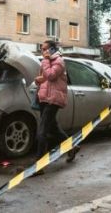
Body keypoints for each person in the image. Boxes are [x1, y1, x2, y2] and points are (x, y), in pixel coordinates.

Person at [34, 40, 80, 171]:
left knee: (42, 132)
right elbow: (46, 79)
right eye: (41, 49)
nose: (43, 52)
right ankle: (72, 147)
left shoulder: (59, 61)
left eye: (45, 49)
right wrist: (39, 80)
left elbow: (51, 76)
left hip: (53, 100)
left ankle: (39, 166)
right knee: (53, 128)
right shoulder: (48, 62)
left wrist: (45, 62)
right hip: (44, 98)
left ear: (52, 49)